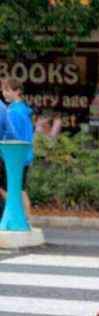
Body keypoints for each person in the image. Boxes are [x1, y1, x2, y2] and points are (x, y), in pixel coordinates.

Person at [0, 77, 34, 218]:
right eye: (3, 90)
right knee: (20, 189)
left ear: (17, 91)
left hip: (14, 157)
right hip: (24, 156)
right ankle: (27, 220)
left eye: (8, 90)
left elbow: (12, 136)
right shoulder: (23, 109)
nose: (4, 93)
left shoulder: (13, 112)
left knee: (13, 189)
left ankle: (19, 217)